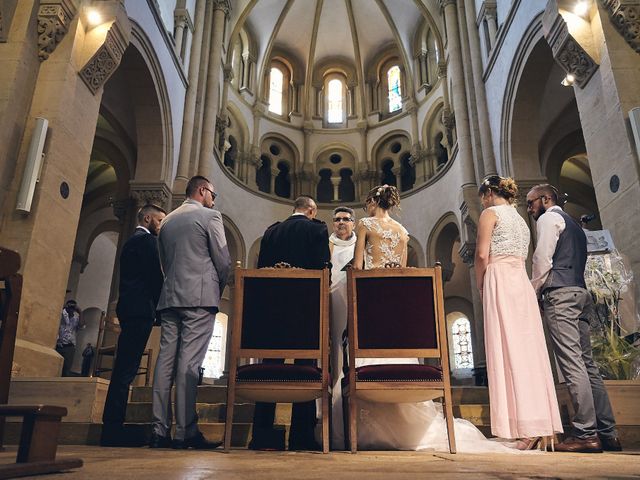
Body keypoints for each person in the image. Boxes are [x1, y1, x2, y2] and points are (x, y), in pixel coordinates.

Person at [341, 185, 517, 452]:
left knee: (368, 351)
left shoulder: (365, 224)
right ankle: (405, 429)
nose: (366, 208)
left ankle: (366, 429)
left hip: (371, 300)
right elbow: (400, 269)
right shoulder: (402, 232)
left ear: (374, 201)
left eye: (368, 202)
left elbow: (358, 267)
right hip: (396, 302)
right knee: (397, 354)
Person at [527, 184, 620, 453]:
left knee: (572, 363)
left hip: (561, 294)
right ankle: (608, 433)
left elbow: (542, 258)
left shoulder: (549, 219)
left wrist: (532, 291)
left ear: (546, 199)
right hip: (581, 292)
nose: (530, 209)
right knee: (588, 365)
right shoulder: (574, 225)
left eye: (532, 203)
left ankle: (585, 433)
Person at [475, 176, 562, 450]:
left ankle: (521, 426)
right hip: (521, 282)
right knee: (526, 352)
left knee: (504, 349)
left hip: (499, 278)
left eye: (482, 196)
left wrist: (480, 284)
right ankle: (536, 424)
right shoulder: (522, 220)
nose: (482, 202)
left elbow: (480, 255)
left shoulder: (490, 214)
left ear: (489, 193)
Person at [150, 176, 231, 450]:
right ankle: (185, 432)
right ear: (202, 190)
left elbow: (163, 263)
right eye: (213, 194)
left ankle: (159, 430)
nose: (214, 200)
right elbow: (223, 260)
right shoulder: (210, 216)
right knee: (188, 365)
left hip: (170, 297)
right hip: (199, 298)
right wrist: (214, 289)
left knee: (165, 363)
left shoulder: (168, 221)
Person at [249, 195, 331, 451]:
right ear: (311, 211)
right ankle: (301, 436)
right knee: (305, 366)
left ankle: (262, 435)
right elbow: (323, 271)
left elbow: (261, 271)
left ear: (294, 208)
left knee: (269, 368)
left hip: (272, 314)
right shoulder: (317, 229)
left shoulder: (271, 232)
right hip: (305, 312)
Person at [101, 203, 166, 447]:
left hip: (130, 308)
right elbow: (155, 278)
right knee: (126, 370)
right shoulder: (147, 242)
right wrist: (162, 307)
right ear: (147, 218)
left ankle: (113, 425)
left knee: (123, 369)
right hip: (140, 311)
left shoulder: (131, 240)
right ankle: (113, 429)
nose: (160, 226)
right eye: (159, 221)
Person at [328, 206, 357, 450]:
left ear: (353, 223)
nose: (341, 223)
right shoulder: (327, 244)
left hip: (356, 299)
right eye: (337, 219)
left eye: (346, 219)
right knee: (335, 344)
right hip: (333, 300)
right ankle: (334, 391)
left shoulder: (361, 245)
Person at [56, 300, 85, 376]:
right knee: (54, 367)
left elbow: (82, 326)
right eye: (70, 306)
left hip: (69, 347)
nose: (71, 308)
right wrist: (63, 307)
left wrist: (80, 311)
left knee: (66, 370)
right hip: (58, 345)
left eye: (73, 307)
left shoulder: (76, 319)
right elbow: (54, 317)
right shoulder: (62, 316)